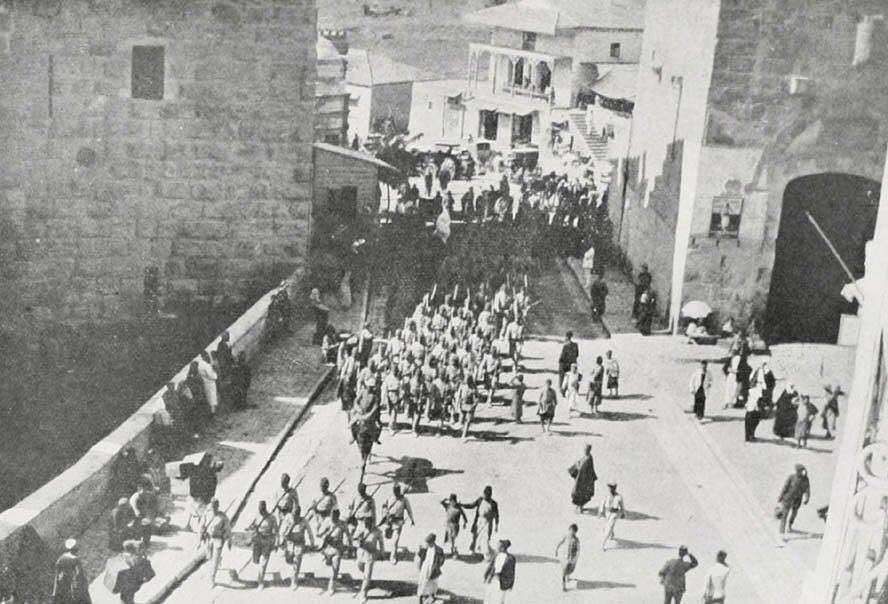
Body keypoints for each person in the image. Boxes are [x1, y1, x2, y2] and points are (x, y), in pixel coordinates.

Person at [279, 504, 314, 590]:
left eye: (297, 514)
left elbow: (310, 532)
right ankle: (292, 574)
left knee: (297, 560)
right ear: (292, 513)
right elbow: (282, 532)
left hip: (299, 544)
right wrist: (281, 541)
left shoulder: (303, 521)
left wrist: (312, 543)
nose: (295, 515)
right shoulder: (288, 518)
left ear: (299, 513)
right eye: (294, 513)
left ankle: (294, 581)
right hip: (289, 543)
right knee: (289, 560)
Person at [184, 455, 222, 532]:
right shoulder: (210, 474)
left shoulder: (198, 470)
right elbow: (209, 487)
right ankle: (199, 527)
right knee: (202, 511)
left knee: (193, 510)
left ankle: (189, 525)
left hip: (195, 494)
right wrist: (209, 497)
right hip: (201, 495)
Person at [246, 500, 278, 589]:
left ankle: (260, 581)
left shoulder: (272, 518)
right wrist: (251, 532)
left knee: (264, 562)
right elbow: (253, 526)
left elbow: (276, 531)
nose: (260, 511)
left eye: (261, 509)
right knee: (256, 560)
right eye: (259, 509)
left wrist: (276, 543)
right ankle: (260, 577)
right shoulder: (257, 516)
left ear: (264, 509)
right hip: (258, 540)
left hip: (267, 541)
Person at [199, 498, 231, 587]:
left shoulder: (223, 517)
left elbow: (228, 529)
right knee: (209, 557)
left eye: (215, 507)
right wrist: (199, 539)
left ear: (218, 506)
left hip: (218, 539)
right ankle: (218, 560)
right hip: (209, 538)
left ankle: (212, 579)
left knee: (215, 560)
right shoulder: (207, 514)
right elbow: (201, 526)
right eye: (212, 507)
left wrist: (229, 540)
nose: (214, 509)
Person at [381, 484, 415, 564]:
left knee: (395, 540)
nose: (395, 493)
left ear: (399, 491)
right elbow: (384, 508)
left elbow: (409, 510)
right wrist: (385, 516)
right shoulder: (389, 498)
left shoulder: (404, 499)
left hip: (398, 522)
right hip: (389, 522)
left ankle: (393, 556)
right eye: (394, 492)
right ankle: (383, 553)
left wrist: (412, 519)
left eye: (397, 492)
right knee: (386, 537)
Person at [354, 516, 385, 602]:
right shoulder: (360, 529)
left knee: (367, 575)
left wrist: (382, 553)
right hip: (360, 554)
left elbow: (381, 543)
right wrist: (358, 543)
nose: (367, 525)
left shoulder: (377, 531)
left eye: (369, 523)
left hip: (371, 555)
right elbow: (354, 540)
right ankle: (368, 582)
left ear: (372, 523)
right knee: (361, 568)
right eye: (366, 523)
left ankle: (363, 594)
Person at [465, 486, 500, 560]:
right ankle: (474, 551)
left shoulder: (493, 504)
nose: (484, 496)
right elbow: (472, 505)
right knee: (475, 536)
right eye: (484, 494)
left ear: (489, 495)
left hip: (487, 523)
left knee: (485, 538)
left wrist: (496, 525)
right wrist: (463, 505)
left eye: (486, 495)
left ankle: (486, 555)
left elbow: (496, 515)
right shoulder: (480, 500)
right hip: (478, 521)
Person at [777, 464, 810, 542]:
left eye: (802, 471)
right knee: (784, 516)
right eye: (799, 471)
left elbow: (807, 489)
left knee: (794, 514)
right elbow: (785, 487)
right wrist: (780, 496)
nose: (802, 472)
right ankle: (781, 534)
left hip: (797, 500)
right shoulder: (791, 477)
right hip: (788, 499)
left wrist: (807, 498)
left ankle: (790, 525)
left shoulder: (805, 479)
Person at [52, 539, 91, 604]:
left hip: (65, 589)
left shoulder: (60, 560)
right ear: (74, 548)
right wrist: (84, 585)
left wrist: (55, 591)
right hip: (76, 588)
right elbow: (79, 575)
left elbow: (57, 577)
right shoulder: (75, 559)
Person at [483, 539, 516, 604]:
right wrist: (485, 576)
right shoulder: (496, 555)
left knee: (499, 600)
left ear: (503, 548)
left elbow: (512, 573)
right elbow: (491, 566)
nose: (496, 548)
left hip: (502, 582)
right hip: (493, 580)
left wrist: (511, 585)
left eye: (498, 546)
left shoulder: (510, 558)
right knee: (489, 597)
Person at [416, 533, 446, 604]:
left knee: (433, 583)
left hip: (433, 568)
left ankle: (432, 596)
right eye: (427, 542)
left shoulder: (439, 550)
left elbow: (442, 560)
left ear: (433, 542)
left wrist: (436, 567)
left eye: (429, 542)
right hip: (425, 568)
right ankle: (420, 597)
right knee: (423, 582)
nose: (428, 544)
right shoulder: (424, 549)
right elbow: (419, 556)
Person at [568, 445, 598, 513]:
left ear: (589, 450)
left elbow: (584, 468)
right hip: (582, 479)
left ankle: (580, 508)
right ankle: (580, 507)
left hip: (584, 480)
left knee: (582, 493)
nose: (585, 451)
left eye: (586, 450)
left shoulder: (588, 458)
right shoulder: (587, 457)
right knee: (580, 493)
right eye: (584, 450)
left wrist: (577, 466)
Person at [441, 494, 469, 558]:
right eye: (451, 501)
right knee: (449, 539)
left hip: (455, 525)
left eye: (454, 501)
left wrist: (464, 523)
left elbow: (463, 515)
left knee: (454, 538)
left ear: (455, 501)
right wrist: (445, 499)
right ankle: (452, 551)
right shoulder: (448, 506)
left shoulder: (458, 507)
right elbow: (441, 502)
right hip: (448, 525)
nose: (453, 502)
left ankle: (455, 552)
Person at [599, 481, 625, 550]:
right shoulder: (606, 495)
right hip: (607, 513)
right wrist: (600, 511)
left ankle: (603, 544)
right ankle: (611, 534)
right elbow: (602, 503)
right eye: (609, 487)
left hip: (614, 514)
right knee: (607, 526)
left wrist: (623, 513)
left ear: (615, 488)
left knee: (609, 527)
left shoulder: (619, 497)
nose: (610, 489)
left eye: (612, 487)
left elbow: (622, 506)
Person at [555, 524, 580, 591]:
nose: (571, 532)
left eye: (572, 531)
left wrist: (576, 559)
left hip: (571, 558)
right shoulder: (565, 536)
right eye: (570, 530)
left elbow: (578, 550)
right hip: (564, 557)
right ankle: (563, 586)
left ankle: (567, 577)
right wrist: (556, 549)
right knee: (564, 571)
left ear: (575, 532)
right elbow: (560, 542)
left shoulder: (576, 540)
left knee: (569, 570)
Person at [197, 350, 219, 415]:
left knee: (208, 398)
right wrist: (215, 373)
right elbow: (213, 376)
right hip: (210, 383)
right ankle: (213, 414)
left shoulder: (200, 365)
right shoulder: (206, 366)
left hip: (205, 383)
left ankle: (211, 412)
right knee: (212, 399)